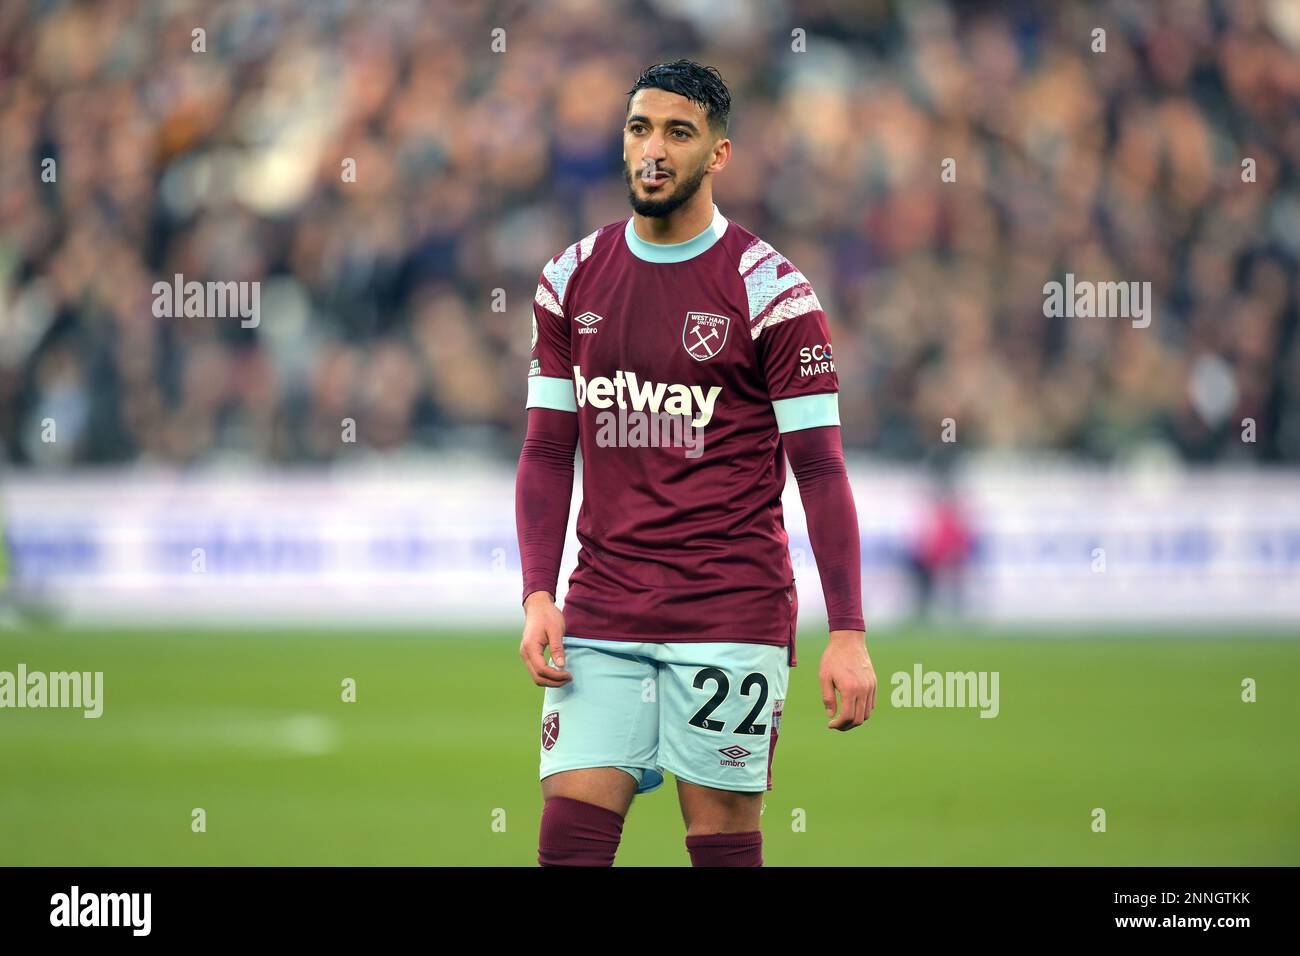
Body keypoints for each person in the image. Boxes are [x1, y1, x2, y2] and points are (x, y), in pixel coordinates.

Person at [515, 60, 875, 867]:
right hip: (604, 608)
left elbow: (820, 471)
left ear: (718, 154)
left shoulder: (771, 291)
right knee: (568, 839)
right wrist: (538, 590)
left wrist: (847, 630)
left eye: (679, 133)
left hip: (729, 609)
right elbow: (545, 449)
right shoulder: (570, 280)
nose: (654, 149)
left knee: (718, 846)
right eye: (640, 129)